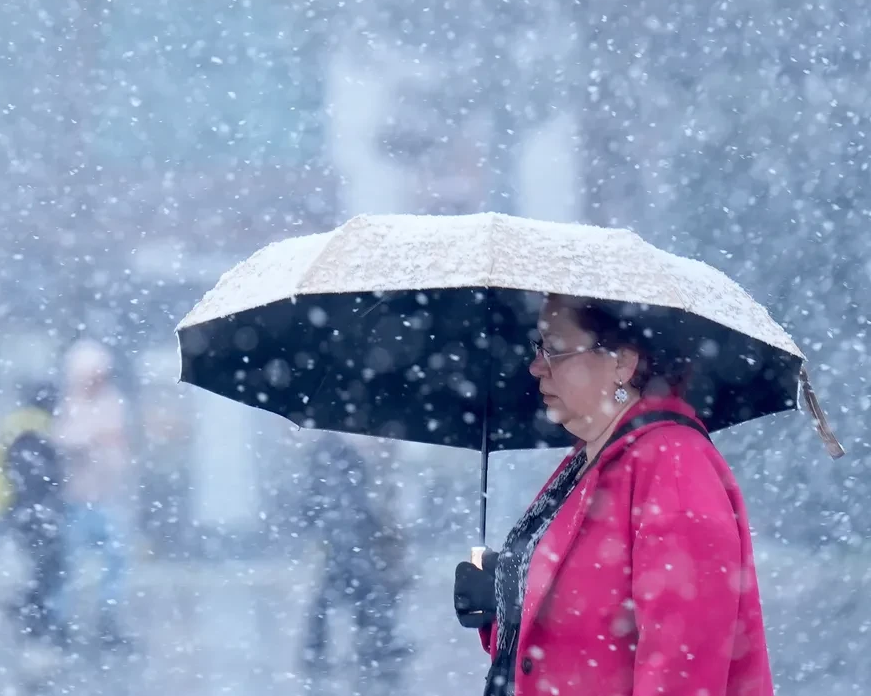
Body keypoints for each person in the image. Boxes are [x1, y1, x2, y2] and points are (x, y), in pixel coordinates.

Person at [455, 294, 774, 696]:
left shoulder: (673, 465)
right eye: (539, 348)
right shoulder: (589, 458)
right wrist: (503, 599)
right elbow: (578, 624)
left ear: (622, 363)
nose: (536, 366)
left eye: (554, 349)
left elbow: (682, 664)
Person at [300, 433, 411, 684]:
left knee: (352, 593)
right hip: (346, 538)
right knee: (364, 591)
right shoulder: (338, 454)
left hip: (345, 537)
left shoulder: (335, 454)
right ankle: (373, 644)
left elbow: (320, 500)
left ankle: (331, 647)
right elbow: (345, 500)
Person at [0, 381, 70, 655]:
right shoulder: (33, 429)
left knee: (42, 563)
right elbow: (34, 475)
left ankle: (30, 611)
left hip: (11, 505)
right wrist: (45, 502)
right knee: (49, 564)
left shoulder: (18, 423)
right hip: (25, 507)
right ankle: (33, 616)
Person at [54, 339, 133, 645]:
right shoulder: (67, 403)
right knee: (69, 565)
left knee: (115, 561)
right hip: (74, 499)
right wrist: (90, 440)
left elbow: (117, 449)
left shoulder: (111, 403)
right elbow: (63, 442)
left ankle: (107, 620)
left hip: (105, 497)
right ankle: (60, 623)